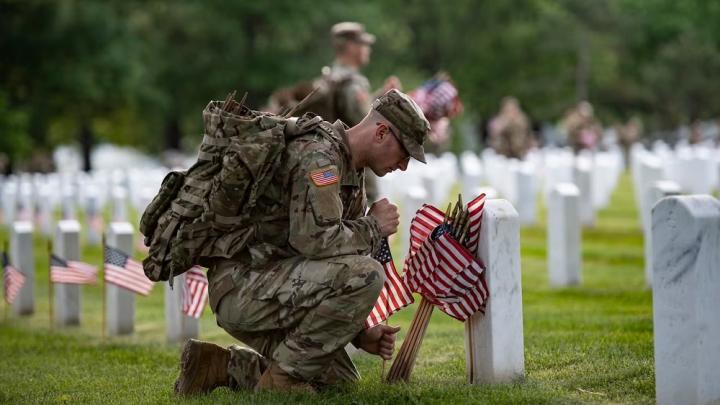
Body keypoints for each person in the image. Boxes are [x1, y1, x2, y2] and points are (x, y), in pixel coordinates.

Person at [173, 89, 431, 395]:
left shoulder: (350, 171)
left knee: (338, 383)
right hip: (245, 285)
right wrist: (373, 227)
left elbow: (330, 261)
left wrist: (362, 335)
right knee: (367, 273)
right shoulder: (319, 157)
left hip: (274, 285)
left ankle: (218, 365)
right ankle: (280, 383)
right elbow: (316, 242)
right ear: (381, 132)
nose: (403, 166)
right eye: (404, 153)